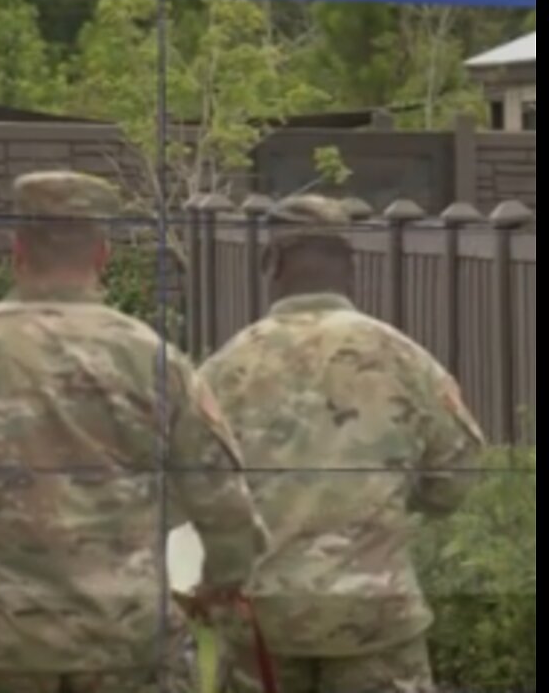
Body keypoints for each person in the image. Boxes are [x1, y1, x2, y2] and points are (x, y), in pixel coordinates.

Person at [0, 170, 269, 693]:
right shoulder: (155, 360)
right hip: (130, 648)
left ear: (17, 249)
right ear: (102, 254)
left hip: (1, 650)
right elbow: (229, 511)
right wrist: (217, 587)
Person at [198, 195, 486, 693]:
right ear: (351, 267)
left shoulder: (227, 369)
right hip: (375, 617)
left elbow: (190, 485)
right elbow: (454, 478)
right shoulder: (405, 360)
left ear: (272, 264)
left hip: (262, 625)